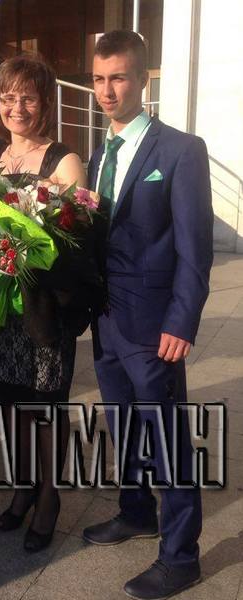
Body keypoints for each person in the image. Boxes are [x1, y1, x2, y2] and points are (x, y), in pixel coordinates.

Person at [82, 31, 213, 599]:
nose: (106, 91)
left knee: (167, 439)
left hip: (155, 324)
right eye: (98, 79)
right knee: (124, 426)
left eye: (118, 78)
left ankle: (181, 557)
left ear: (142, 80)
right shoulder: (99, 152)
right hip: (107, 320)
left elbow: (195, 246)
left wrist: (181, 321)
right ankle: (136, 511)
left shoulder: (181, 150)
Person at [0, 55, 104, 552]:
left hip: (43, 305)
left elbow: (76, 237)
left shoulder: (63, 160)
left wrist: (30, 243)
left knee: (44, 404)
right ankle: (24, 487)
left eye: (27, 97)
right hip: (0, 304)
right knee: (9, 402)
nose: (17, 107)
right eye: (8, 97)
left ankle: (50, 497)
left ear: (45, 102)